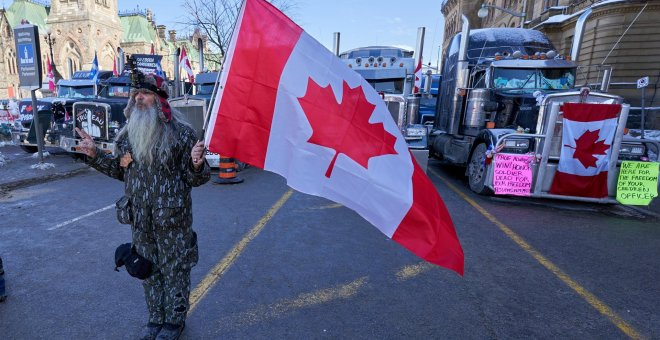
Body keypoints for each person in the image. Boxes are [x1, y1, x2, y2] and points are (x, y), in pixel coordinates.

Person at [76, 73, 210, 340]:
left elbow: (197, 178)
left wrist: (196, 164)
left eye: (145, 94)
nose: (138, 98)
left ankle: (174, 321)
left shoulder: (182, 134)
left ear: (160, 100)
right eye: (136, 93)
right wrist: (95, 156)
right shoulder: (127, 136)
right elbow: (119, 171)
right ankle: (156, 318)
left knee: (175, 270)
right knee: (147, 269)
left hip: (172, 220)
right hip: (140, 220)